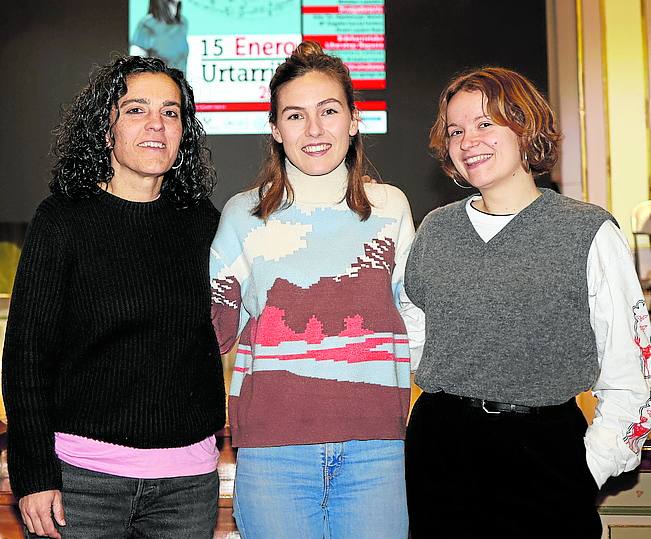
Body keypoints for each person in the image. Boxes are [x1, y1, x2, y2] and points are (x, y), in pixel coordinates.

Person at [404, 66, 651, 538]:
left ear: (525, 127)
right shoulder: (434, 229)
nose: (468, 140)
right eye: (456, 130)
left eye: (485, 123)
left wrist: (586, 469)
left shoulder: (587, 231)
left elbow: (630, 372)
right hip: (440, 451)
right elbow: (414, 343)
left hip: (545, 453)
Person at [2, 55, 225, 538]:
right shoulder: (63, 220)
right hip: (81, 484)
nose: (156, 125)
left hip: (187, 486)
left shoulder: (204, 223)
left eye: (170, 112)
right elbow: (26, 356)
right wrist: (34, 474)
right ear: (106, 130)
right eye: (135, 109)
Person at [209, 41, 424, 539]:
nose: (314, 129)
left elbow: (414, 316)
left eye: (328, 111)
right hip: (271, 450)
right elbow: (212, 329)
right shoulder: (243, 215)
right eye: (295, 115)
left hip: (377, 447)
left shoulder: (389, 206)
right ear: (275, 130)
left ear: (353, 120)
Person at [130, 0, 189, 73]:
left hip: (179, 82)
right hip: (158, 82)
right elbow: (136, 64)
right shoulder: (147, 24)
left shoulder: (183, 23)